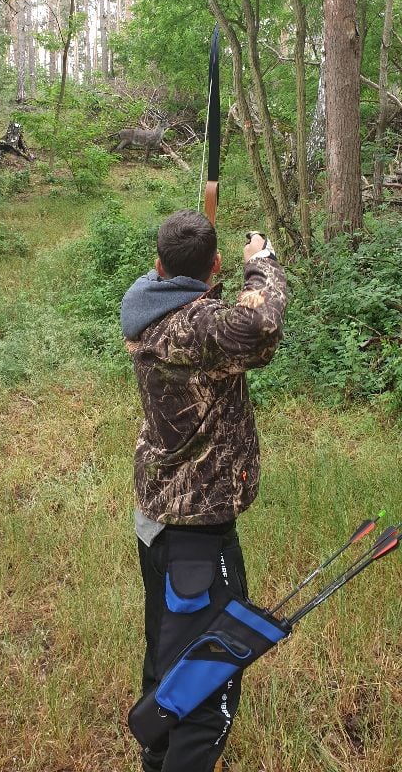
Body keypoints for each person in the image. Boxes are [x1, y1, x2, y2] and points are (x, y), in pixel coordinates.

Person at [120, 209, 287, 772]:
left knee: (167, 657)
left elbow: (199, 301)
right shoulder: (199, 326)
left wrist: (207, 276)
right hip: (196, 535)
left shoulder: (146, 304)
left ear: (158, 264)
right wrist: (259, 263)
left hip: (160, 518)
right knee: (204, 685)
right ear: (214, 265)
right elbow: (261, 327)